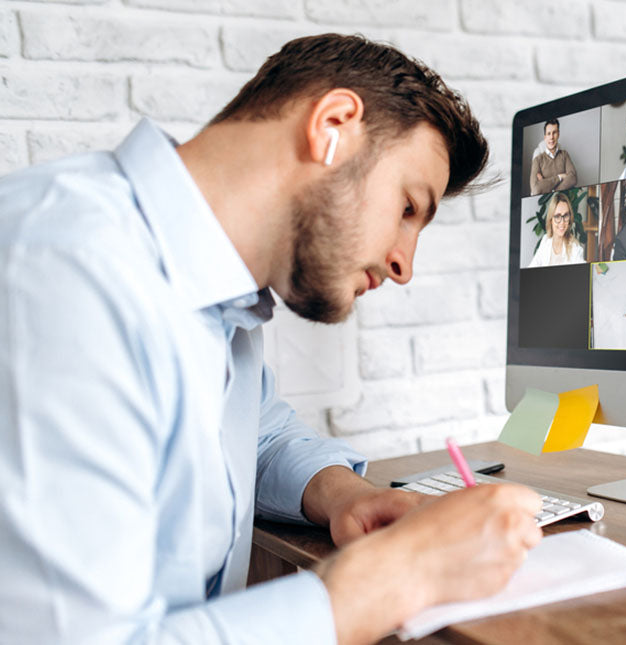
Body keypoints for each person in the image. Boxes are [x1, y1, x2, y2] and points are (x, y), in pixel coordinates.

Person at [0, 34, 543, 644]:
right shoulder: (66, 270)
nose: (403, 265)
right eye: (408, 207)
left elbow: (252, 433)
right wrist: (401, 573)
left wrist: (343, 495)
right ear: (333, 125)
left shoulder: (216, 297)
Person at [529, 192, 585, 267]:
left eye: (565, 215)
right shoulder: (546, 240)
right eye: (557, 216)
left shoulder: (575, 248)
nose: (562, 222)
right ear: (550, 219)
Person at [529, 118, 577, 195]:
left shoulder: (564, 154)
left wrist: (553, 191)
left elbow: (573, 178)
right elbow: (535, 189)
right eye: (549, 133)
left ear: (558, 134)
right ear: (545, 137)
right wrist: (560, 177)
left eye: (554, 133)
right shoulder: (538, 159)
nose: (551, 137)